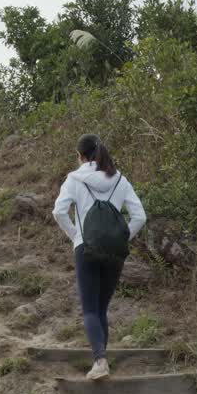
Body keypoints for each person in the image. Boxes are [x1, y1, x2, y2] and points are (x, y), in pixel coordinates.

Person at [52, 134, 147, 381]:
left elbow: (59, 211)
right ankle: (101, 358)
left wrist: (76, 235)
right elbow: (140, 217)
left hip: (86, 249)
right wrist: (122, 238)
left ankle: (100, 361)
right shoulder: (120, 179)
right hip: (115, 251)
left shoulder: (74, 179)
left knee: (90, 311)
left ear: (80, 155)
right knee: (101, 308)